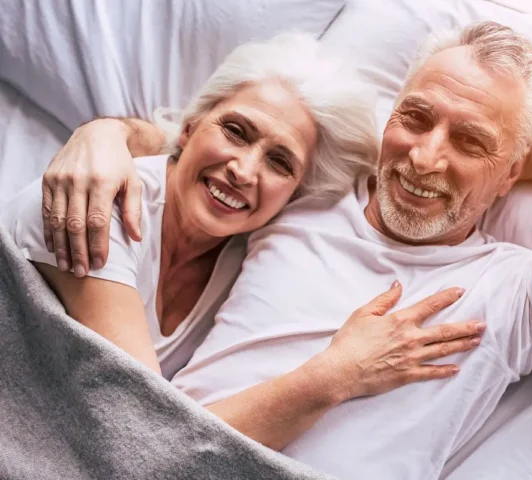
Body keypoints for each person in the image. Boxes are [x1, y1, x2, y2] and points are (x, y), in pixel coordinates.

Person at [40, 22, 532, 479]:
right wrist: (104, 134)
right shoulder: (307, 192)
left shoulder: (509, 293)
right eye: (415, 118)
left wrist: (524, 148)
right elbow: (213, 142)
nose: (426, 158)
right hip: (151, 457)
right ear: (389, 117)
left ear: (511, 174)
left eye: (468, 143)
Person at [1, 33, 487, 452]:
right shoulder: (101, 201)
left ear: (294, 194)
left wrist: (507, 154)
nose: (244, 170)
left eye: (280, 163)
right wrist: (339, 374)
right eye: (235, 131)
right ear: (190, 126)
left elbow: (394, 163)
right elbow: (144, 432)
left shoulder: (246, 251)